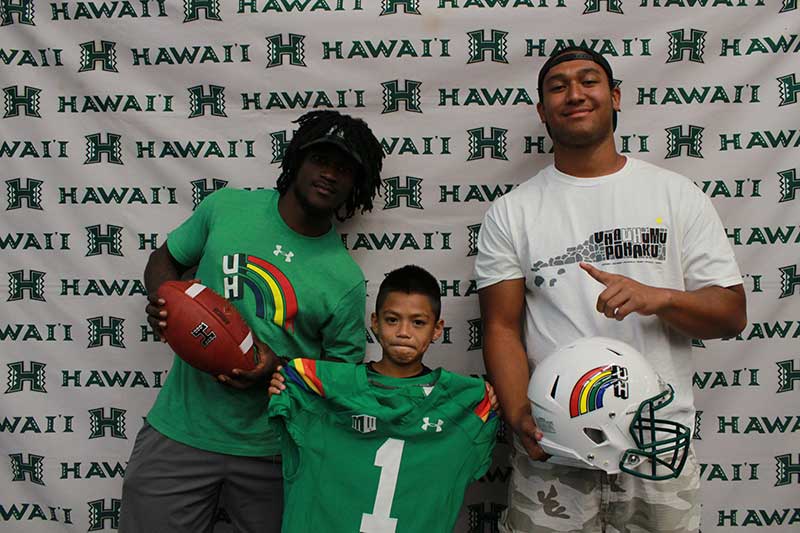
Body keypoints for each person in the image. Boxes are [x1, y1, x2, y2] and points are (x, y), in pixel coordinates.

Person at [474, 46, 747, 532]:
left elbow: (730, 313)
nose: (574, 94)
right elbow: (499, 325)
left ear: (615, 96)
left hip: (656, 441)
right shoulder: (512, 211)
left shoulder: (676, 194)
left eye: (588, 81)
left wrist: (659, 296)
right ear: (542, 110)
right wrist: (520, 415)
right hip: (554, 444)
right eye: (558, 87)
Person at [119, 110, 385, 533]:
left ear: (358, 184)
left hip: (274, 450)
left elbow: (340, 381)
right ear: (297, 158)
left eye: (345, 169)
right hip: (182, 430)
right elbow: (164, 260)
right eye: (321, 160)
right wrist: (166, 302)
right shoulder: (226, 209)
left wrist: (277, 369)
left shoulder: (345, 280)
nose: (330, 174)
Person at [267, 265, 500, 532]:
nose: (403, 332)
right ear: (375, 322)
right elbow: (295, 386)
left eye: (418, 322)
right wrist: (286, 386)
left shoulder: (464, 405)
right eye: (392, 320)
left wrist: (483, 406)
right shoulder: (320, 390)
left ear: (437, 329)